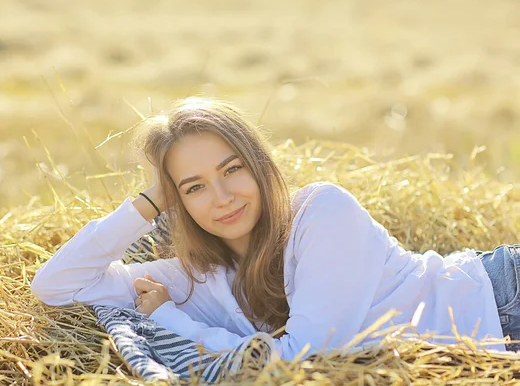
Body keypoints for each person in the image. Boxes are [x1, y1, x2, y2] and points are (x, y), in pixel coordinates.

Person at [31, 96, 517, 361]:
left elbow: (306, 356)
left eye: (232, 169)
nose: (222, 199)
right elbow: (56, 285)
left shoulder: (323, 213)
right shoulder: (191, 277)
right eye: (194, 187)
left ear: (260, 165)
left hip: (498, 300)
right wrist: (148, 201)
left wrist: (171, 321)